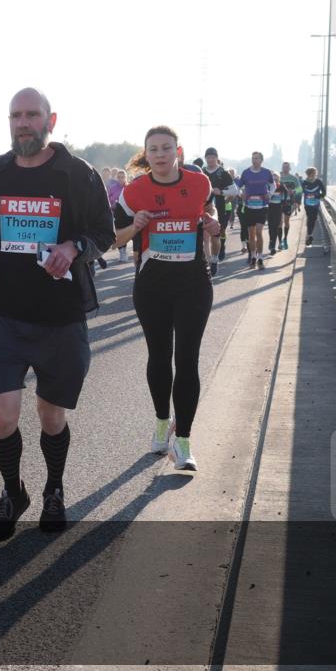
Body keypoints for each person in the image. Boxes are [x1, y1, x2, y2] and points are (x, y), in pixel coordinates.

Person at [0, 88, 114, 541]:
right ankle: (13, 492)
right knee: (2, 415)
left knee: (51, 416)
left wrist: (74, 248)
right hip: (6, 315)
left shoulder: (77, 173)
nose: (23, 123)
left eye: (32, 115)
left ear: (51, 120)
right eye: (16, 115)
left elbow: (104, 234)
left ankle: (54, 489)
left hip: (61, 318)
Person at [113, 126, 220, 471]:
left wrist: (213, 225)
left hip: (193, 284)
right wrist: (135, 226)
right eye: (154, 149)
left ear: (178, 150)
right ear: (146, 154)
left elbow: (211, 213)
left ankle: (183, 443)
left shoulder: (199, 183)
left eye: (166, 148)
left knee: (188, 360)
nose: (160, 154)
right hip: (152, 286)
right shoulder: (134, 192)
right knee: (160, 358)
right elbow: (113, 239)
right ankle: (162, 421)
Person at [201, 147, 237, 275]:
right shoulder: (202, 172)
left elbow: (235, 191)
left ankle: (215, 259)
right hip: (202, 209)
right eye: (208, 157)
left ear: (217, 158)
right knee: (204, 237)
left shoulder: (223, 173)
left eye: (212, 157)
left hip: (219, 208)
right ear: (206, 158)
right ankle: (206, 262)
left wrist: (221, 192)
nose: (210, 159)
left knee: (215, 237)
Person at [240, 152, 274, 270]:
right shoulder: (246, 173)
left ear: (261, 160)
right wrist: (242, 194)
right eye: (253, 158)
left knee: (259, 232)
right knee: (251, 234)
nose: (254, 160)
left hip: (262, 207)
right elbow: (238, 187)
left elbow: (273, 184)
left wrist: (270, 193)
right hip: (249, 207)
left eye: (257, 158)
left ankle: (260, 258)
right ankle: (253, 256)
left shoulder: (266, 172)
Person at [278, 162, 300, 250]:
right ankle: (280, 242)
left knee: (286, 221)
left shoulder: (293, 178)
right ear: (282, 168)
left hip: (288, 202)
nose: (285, 168)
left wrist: (293, 192)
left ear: (290, 168)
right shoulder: (279, 178)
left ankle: (285, 239)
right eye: (284, 167)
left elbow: (299, 190)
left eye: (287, 167)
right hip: (278, 202)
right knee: (279, 222)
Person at [302, 166, 326, 245]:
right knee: (310, 218)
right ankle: (310, 235)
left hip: (316, 204)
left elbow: (324, 193)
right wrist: (295, 198)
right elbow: (299, 192)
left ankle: (309, 235)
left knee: (313, 219)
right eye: (312, 174)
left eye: (315, 174)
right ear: (308, 174)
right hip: (307, 204)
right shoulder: (304, 183)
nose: (313, 175)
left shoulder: (318, 182)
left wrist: (317, 196)